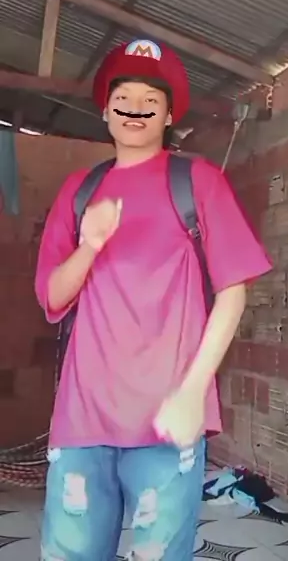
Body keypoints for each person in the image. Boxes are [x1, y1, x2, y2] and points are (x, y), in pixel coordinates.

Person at [36, 38, 271, 561]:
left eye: (150, 99)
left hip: (168, 418)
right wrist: (89, 245)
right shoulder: (79, 191)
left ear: (168, 115)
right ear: (105, 110)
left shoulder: (198, 182)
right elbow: (52, 297)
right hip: (82, 419)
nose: (135, 108)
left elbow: (233, 292)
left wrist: (193, 392)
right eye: (123, 97)